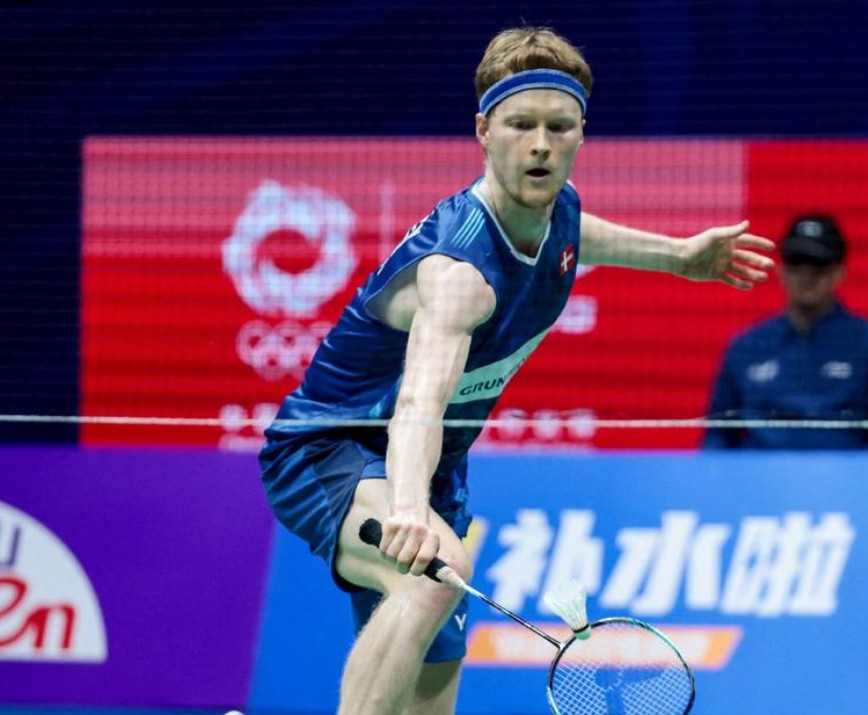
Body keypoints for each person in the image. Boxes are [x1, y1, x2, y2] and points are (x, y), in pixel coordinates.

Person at [259, 26, 775, 715]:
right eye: (520, 124)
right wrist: (409, 509)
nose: (540, 144)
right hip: (331, 449)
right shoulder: (459, 274)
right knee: (430, 579)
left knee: (434, 682)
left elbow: (579, 235)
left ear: (581, 134)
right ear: (484, 130)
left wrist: (679, 258)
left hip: (434, 470)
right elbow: (419, 404)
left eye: (559, 127)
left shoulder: (560, 211)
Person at [704, 214, 868, 449]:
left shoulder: (863, 343)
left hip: (847, 470)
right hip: (760, 470)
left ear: (839, 272)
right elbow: (717, 436)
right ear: (781, 271)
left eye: (818, 267)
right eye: (796, 265)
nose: (806, 277)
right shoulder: (746, 347)